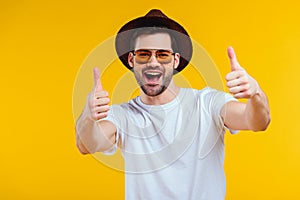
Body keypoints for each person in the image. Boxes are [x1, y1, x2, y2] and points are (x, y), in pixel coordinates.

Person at [75, 9, 270, 200]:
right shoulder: (124, 116)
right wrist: (88, 115)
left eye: (162, 54)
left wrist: (256, 93)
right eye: (144, 54)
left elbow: (257, 122)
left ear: (175, 60)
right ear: (132, 60)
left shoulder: (207, 103)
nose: (153, 62)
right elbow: (87, 144)